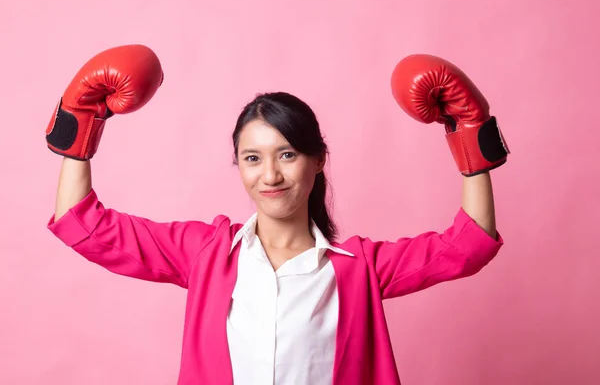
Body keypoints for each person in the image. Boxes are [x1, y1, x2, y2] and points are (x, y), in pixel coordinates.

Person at [45, 45, 508, 385]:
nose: (270, 175)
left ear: (318, 159)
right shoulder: (205, 254)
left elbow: (467, 246)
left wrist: (469, 133)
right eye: (252, 158)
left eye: (287, 155)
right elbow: (81, 223)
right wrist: (81, 121)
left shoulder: (358, 268)